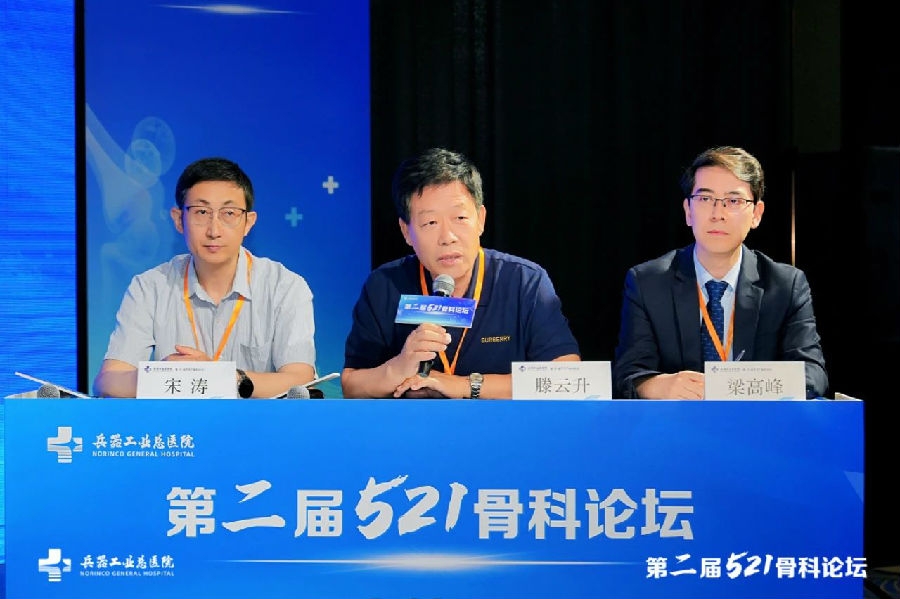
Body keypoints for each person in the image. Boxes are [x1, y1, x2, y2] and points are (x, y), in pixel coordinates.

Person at [342, 147, 580, 399]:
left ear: (481, 219)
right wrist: (397, 368)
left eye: (460, 218)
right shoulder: (385, 286)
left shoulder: (524, 281)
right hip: (414, 424)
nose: (448, 237)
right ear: (406, 232)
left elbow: (567, 377)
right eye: (430, 223)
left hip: (504, 423)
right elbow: (351, 385)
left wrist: (465, 385)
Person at [613, 145, 828, 399]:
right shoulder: (648, 283)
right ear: (688, 211)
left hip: (756, 420)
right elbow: (628, 373)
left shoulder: (785, 285)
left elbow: (812, 375)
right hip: (678, 420)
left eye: (733, 201)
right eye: (705, 199)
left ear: (756, 214)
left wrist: (741, 387)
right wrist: (658, 385)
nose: (718, 214)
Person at [93, 157, 317, 398]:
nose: (214, 230)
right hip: (177, 422)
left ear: (248, 223)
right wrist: (159, 375)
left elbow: (301, 382)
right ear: (178, 219)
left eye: (229, 213)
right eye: (201, 212)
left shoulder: (285, 287)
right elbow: (107, 382)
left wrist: (222, 377)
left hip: (257, 422)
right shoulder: (149, 287)